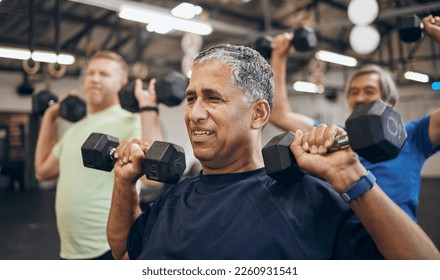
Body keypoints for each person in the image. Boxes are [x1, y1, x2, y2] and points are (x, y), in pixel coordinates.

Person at [106, 43, 439, 260]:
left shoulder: (309, 198)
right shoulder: (174, 197)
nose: (194, 114)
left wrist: (354, 178)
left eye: (213, 98)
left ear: (259, 114)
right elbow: (124, 249)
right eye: (191, 98)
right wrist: (124, 186)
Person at [268, 16, 440, 221]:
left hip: (395, 246)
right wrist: (278, 56)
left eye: (369, 91)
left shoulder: (413, 136)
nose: (359, 98)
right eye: (354, 92)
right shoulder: (332, 136)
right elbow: (280, 114)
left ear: (389, 101)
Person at [34, 50, 163, 260]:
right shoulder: (75, 128)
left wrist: (147, 108)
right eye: (90, 73)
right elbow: (42, 171)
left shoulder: (131, 120)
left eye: (104, 74)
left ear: (122, 82)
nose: (94, 79)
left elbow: (151, 178)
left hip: (111, 246)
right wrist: (50, 119)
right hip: (70, 249)